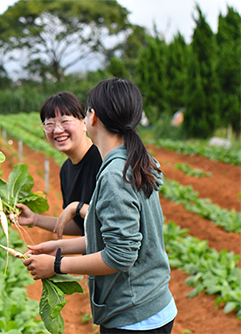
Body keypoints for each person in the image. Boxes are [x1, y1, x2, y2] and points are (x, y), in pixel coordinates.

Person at [23, 78, 176, 333]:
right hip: (149, 306)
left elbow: (120, 255)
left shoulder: (114, 175)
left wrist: (58, 265)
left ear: (91, 118)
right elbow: (108, 238)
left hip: (134, 314)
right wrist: (57, 247)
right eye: (49, 123)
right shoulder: (131, 160)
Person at [17, 91, 102, 238]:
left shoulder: (103, 160)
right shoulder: (66, 170)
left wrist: (78, 207)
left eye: (65, 122)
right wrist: (35, 219)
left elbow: (113, 223)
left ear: (84, 123)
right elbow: (80, 226)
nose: (57, 130)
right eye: (49, 124)